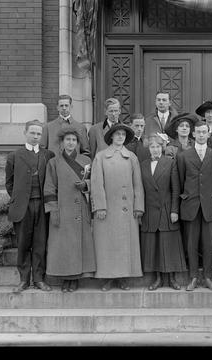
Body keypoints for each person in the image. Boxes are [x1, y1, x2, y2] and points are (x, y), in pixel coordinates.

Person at [90, 124, 144, 291]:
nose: (120, 137)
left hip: (127, 209)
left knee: (125, 244)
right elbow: (96, 184)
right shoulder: (100, 157)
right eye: (117, 134)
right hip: (107, 209)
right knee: (107, 244)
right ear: (111, 137)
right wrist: (99, 207)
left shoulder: (132, 157)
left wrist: (138, 206)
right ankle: (108, 278)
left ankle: (123, 278)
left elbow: (138, 184)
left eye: (122, 134)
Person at [43, 126, 95, 293]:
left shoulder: (87, 162)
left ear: (78, 143)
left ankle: (77, 278)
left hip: (81, 208)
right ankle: (66, 278)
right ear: (62, 143)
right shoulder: (54, 162)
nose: (71, 143)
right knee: (64, 245)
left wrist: (86, 184)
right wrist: (53, 210)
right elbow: (49, 188)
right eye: (68, 140)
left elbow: (95, 182)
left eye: (74, 140)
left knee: (79, 244)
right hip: (63, 209)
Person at [5, 120, 55, 293]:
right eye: (32, 133)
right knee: (24, 243)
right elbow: (9, 184)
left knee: (40, 243)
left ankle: (39, 279)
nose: (35, 137)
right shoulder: (14, 156)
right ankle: (24, 279)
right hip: (23, 207)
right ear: (25, 133)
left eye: (38, 134)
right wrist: (20, 199)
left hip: (41, 206)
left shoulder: (48, 155)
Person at [176, 121, 212, 291]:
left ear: (209, 134)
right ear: (193, 134)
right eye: (198, 132)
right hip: (190, 205)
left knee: (209, 243)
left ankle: (208, 277)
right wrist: (184, 198)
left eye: (204, 132)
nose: (201, 135)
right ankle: (194, 276)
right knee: (191, 243)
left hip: (209, 205)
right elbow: (180, 181)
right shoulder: (183, 156)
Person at [139, 134, 187, 290]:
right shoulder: (143, 165)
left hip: (167, 210)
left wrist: (174, 210)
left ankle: (172, 279)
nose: (155, 149)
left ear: (163, 148)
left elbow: (175, 189)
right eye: (152, 147)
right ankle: (157, 279)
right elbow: (140, 190)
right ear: (149, 149)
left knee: (169, 245)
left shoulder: (170, 163)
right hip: (150, 211)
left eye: (158, 146)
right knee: (154, 246)